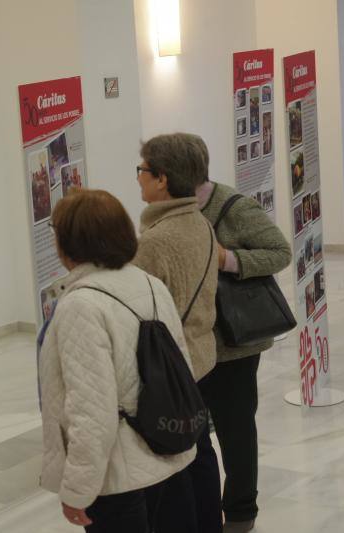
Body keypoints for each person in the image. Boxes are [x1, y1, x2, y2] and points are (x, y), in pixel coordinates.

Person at [39, 189, 196, 533]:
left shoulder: (81, 305)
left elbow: (92, 412)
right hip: (165, 452)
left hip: (119, 477)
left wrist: (78, 489)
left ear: (70, 242)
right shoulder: (150, 283)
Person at [192, 135, 291, 533]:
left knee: (235, 431)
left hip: (233, 346)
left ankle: (239, 513)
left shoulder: (234, 206)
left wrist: (227, 259)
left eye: (146, 171)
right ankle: (201, 510)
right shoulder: (167, 215)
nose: (141, 180)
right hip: (190, 344)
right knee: (194, 433)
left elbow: (280, 252)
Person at [130, 133, 221, 533]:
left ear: (162, 179)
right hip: (200, 360)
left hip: (171, 371)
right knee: (200, 451)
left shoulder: (154, 241)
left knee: (176, 465)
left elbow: (136, 316)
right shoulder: (200, 223)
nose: (138, 179)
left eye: (142, 171)